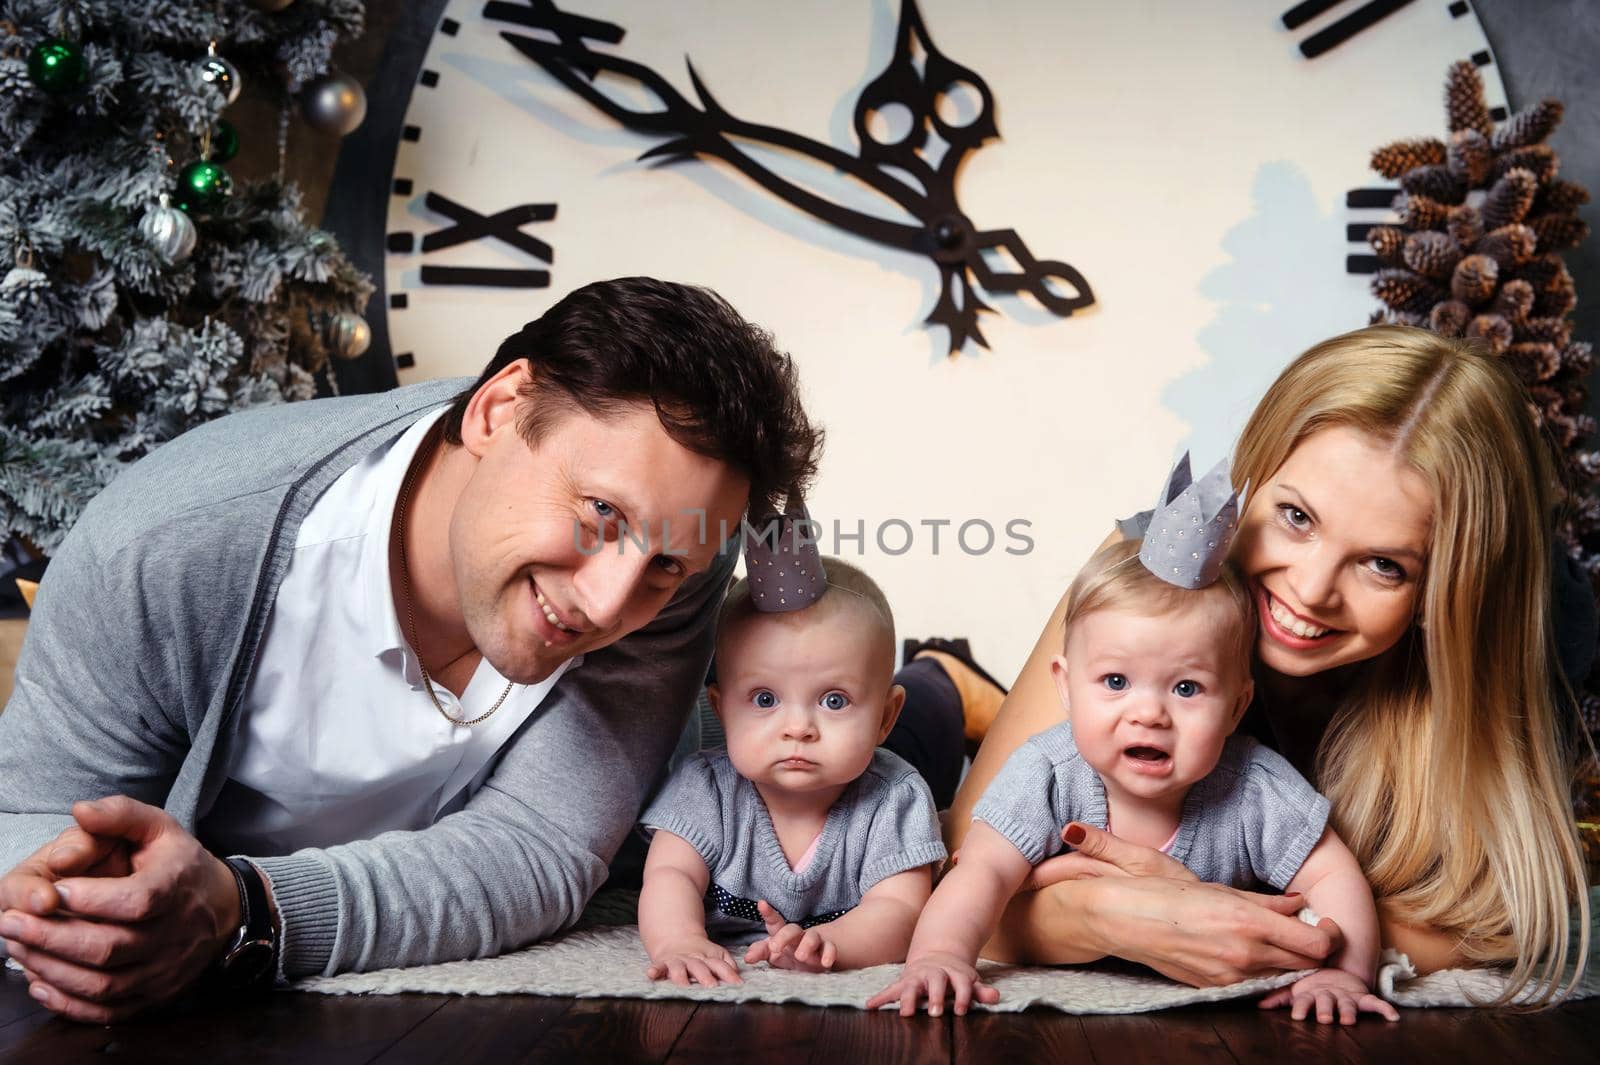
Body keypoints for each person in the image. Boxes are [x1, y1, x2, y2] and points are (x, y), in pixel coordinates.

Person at [0, 277, 823, 1023]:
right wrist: (79, 898)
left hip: (696, 777)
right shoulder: (164, 545)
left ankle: (936, 686)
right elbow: (28, 817)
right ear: (498, 410)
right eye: (602, 512)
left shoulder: (681, 559)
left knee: (852, 740)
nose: (608, 605)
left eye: (663, 565)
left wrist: (248, 910)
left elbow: (541, 843)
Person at [945, 325, 1595, 1007]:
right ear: (1250, 479)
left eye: (1384, 564)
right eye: (1295, 515)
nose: (1310, 589)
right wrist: (1110, 915)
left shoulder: (1533, 626)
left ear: (1446, 593)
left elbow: (1486, 920)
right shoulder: (1157, 568)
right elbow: (969, 857)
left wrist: (1203, 901)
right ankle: (950, 682)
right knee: (916, 719)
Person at [872, 537, 1398, 1024]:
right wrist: (941, 955)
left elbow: (1332, 875)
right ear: (1067, 686)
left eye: (1187, 688)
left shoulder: (1256, 787)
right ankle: (948, 677)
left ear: (1238, 706)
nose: (1149, 713)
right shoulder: (1049, 773)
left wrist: (1343, 974)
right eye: (1116, 681)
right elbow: (980, 872)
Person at [639, 556, 945, 987]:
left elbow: (901, 909)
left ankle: (940, 664)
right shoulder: (706, 789)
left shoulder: (895, 797)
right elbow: (670, 875)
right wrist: (679, 939)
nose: (797, 728)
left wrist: (831, 944)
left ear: (884, 718)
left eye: (834, 701)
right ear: (722, 711)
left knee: (939, 711)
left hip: (927, 742)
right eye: (765, 699)